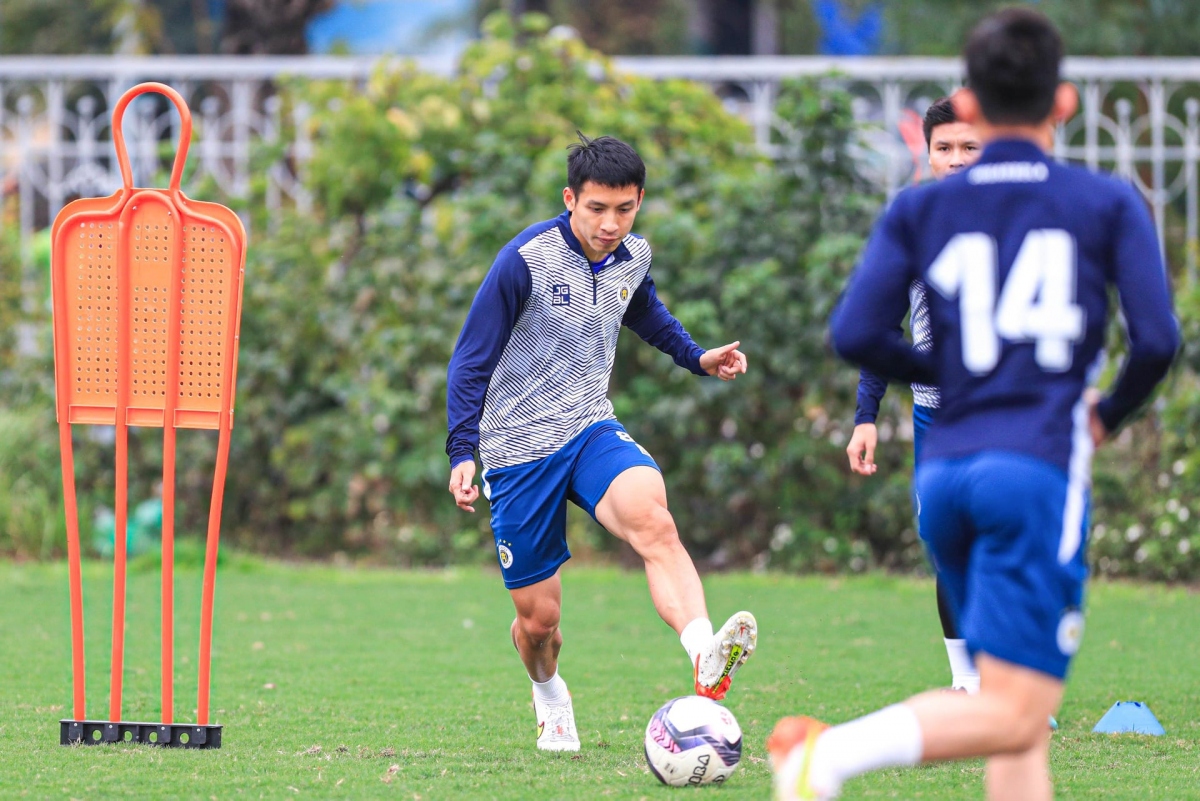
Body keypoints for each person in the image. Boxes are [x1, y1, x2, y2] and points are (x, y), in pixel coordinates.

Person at [771, 8, 1179, 800]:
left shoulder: (921, 208)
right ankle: (832, 753)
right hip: (1032, 469)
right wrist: (1106, 411)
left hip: (947, 467)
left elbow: (856, 329)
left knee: (1017, 733)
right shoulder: (1105, 202)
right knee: (1017, 708)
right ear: (1062, 103)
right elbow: (1157, 342)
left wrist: (947, 374)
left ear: (973, 111)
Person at [446, 133, 757, 753]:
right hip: (516, 448)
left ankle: (704, 654)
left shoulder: (632, 255)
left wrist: (697, 357)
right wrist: (462, 452)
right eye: (597, 209)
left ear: (639, 200)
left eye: (625, 208)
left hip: (589, 425)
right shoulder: (524, 260)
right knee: (540, 624)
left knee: (654, 519)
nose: (611, 224)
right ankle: (549, 693)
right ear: (571, 199)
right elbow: (469, 361)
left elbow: (644, 313)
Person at [845, 96, 983, 694]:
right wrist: (866, 415)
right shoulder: (914, 221)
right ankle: (966, 683)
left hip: (1010, 414)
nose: (955, 160)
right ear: (926, 155)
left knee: (1007, 538)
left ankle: (1014, 681)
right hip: (935, 416)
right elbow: (880, 325)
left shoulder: (1025, 218)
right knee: (945, 542)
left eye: (969, 147)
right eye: (943, 149)